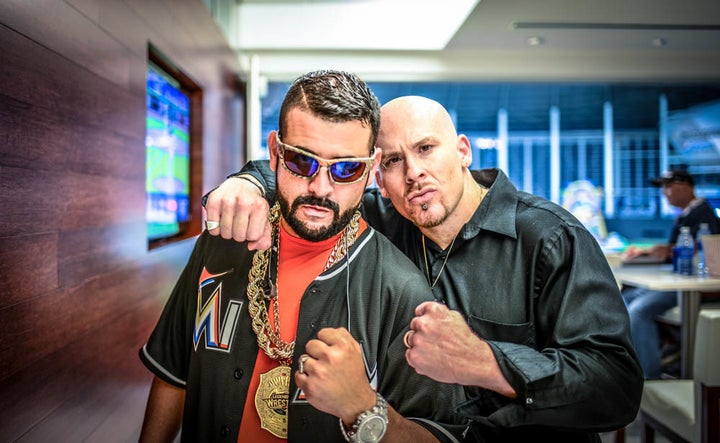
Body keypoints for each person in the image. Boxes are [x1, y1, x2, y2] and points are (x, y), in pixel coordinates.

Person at [204, 95, 644, 441]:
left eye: (426, 148)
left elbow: (616, 387)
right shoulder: (384, 218)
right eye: (393, 160)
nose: (413, 172)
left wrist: (488, 362)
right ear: (378, 177)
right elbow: (315, 176)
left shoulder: (549, 238)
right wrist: (248, 183)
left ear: (463, 151)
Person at [139, 73, 467, 443]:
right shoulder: (223, 243)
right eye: (301, 161)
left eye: (347, 168)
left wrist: (363, 407)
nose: (320, 188)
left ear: (372, 168)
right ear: (276, 152)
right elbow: (172, 374)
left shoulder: (399, 290)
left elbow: (441, 435)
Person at [621, 169, 720, 379]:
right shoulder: (685, 215)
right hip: (677, 280)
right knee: (621, 299)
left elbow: (700, 251)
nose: (665, 193)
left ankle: (649, 379)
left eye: (669, 186)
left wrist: (666, 251)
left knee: (638, 311)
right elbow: (675, 249)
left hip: (690, 285)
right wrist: (648, 252)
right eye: (663, 188)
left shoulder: (703, 215)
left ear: (687, 186)